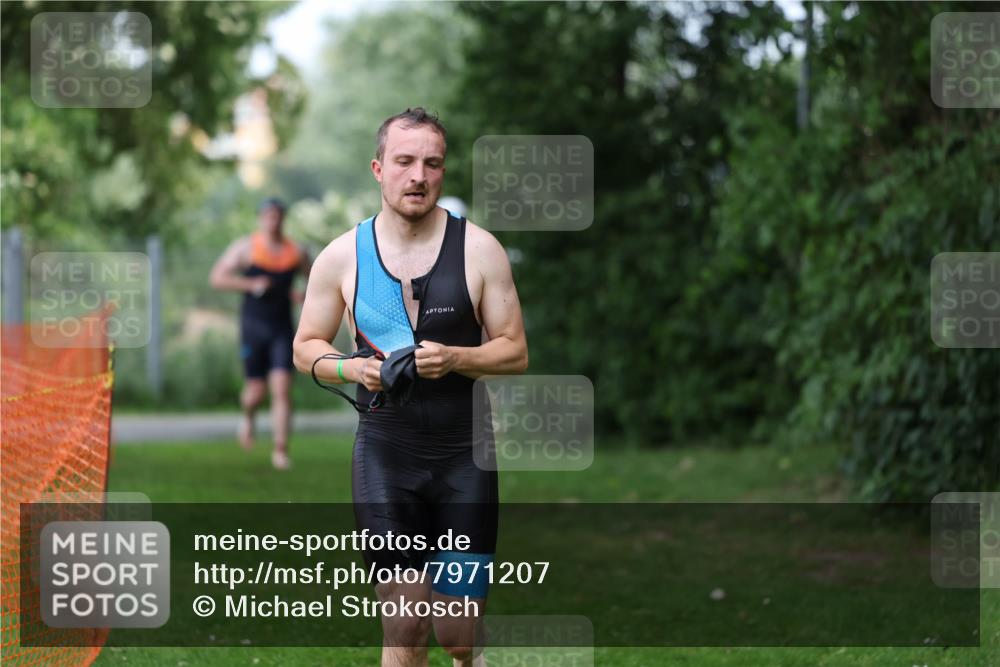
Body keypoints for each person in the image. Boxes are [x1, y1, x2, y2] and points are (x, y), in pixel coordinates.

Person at [293, 108, 528, 666]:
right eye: (404, 162)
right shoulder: (342, 256)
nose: (418, 175)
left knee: (457, 635)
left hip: (464, 457)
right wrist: (354, 368)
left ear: (443, 173)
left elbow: (515, 350)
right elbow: (306, 347)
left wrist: (457, 358)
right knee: (405, 623)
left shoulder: (479, 250)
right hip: (385, 453)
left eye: (431, 163)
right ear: (379, 168)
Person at [210, 197, 311, 471]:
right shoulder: (245, 248)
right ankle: (249, 416)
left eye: (278, 215)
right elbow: (217, 278)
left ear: (283, 218)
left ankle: (280, 450)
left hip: (282, 328)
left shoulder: (296, 252)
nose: (273, 220)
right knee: (255, 391)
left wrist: (303, 295)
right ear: (260, 218)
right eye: (268, 215)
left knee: (282, 389)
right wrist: (249, 283)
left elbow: (316, 280)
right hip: (253, 327)